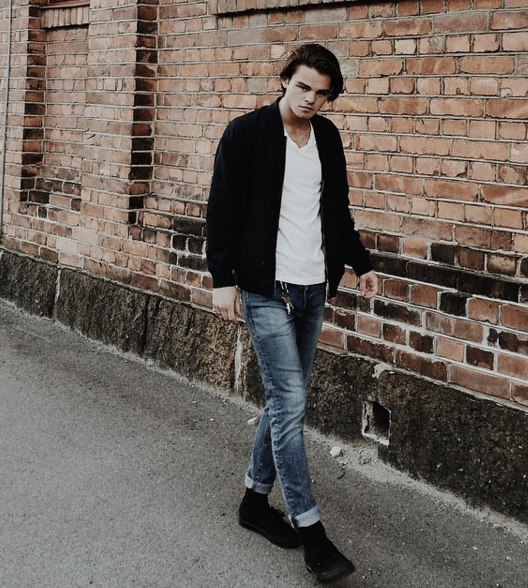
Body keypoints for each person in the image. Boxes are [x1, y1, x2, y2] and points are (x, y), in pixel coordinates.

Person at [206, 43, 378, 584]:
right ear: (285, 80)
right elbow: (221, 210)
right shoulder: (246, 134)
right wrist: (222, 279)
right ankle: (313, 533)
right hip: (266, 290)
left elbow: (336, 208)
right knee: (291, 402)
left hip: (313, 289)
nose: (310, 100)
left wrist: (359, 261)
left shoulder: (326, 137)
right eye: (303, 87)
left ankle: (254, 502)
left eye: (321, 94)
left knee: (284, 402)